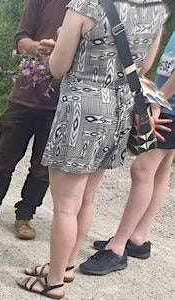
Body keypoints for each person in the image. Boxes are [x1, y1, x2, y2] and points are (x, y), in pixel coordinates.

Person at [16, 0, 168, 298]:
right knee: (86, 196)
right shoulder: (157, 9)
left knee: (66, 206)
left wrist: (63, 35)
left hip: (80, 111)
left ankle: (54, 282)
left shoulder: (85, 5)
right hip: (119, 110)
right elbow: (143, 66)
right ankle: (67, 265)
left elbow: (58, 68)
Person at [0, 0, 70, 240]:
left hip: (62, 103)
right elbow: (21, 39)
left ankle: (25, 217)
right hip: (24, 97)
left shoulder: (92, 6)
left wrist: (65, 49)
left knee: (41, 169)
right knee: (2, 161)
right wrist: (36, 47)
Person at [81, 30, 175, 275]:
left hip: (169, 107)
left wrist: (157, 101)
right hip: (168, 104)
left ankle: (117, 248)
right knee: (160, 168)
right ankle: (138, 238)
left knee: (142, 169)